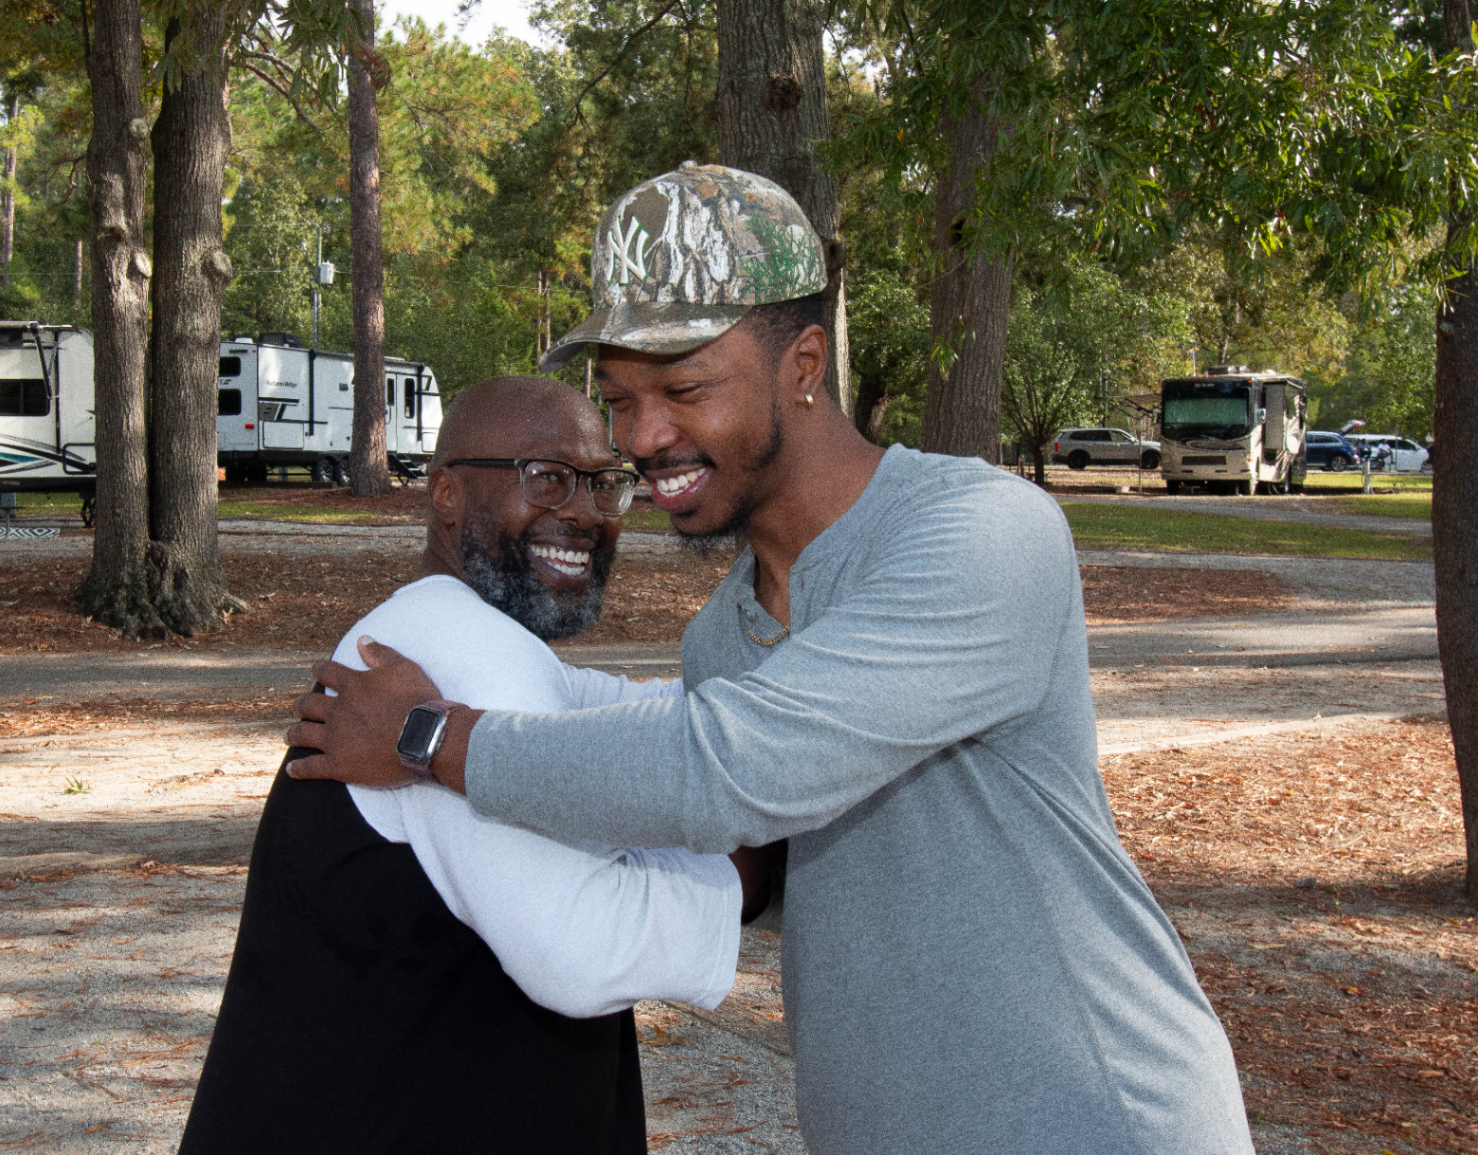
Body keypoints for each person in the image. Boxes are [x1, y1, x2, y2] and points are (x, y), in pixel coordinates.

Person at [287, 165, 1256, 1154]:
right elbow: (736, 821)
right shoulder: (726, 635)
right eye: (621, 399)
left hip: (1094, 1119)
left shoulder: (978, 534)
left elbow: (727, 768)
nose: (645, 437)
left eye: (685, 388)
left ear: (803, 361)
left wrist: (425, 737)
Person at [179, 376, 759, 1155]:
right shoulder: (460, 649)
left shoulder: (451, 636)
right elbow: (580, 949)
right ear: (447, 492)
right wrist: (767, 861)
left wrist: (789, 721)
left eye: (603, 482)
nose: (584, 512)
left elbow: (620, 712)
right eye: (546, 477)